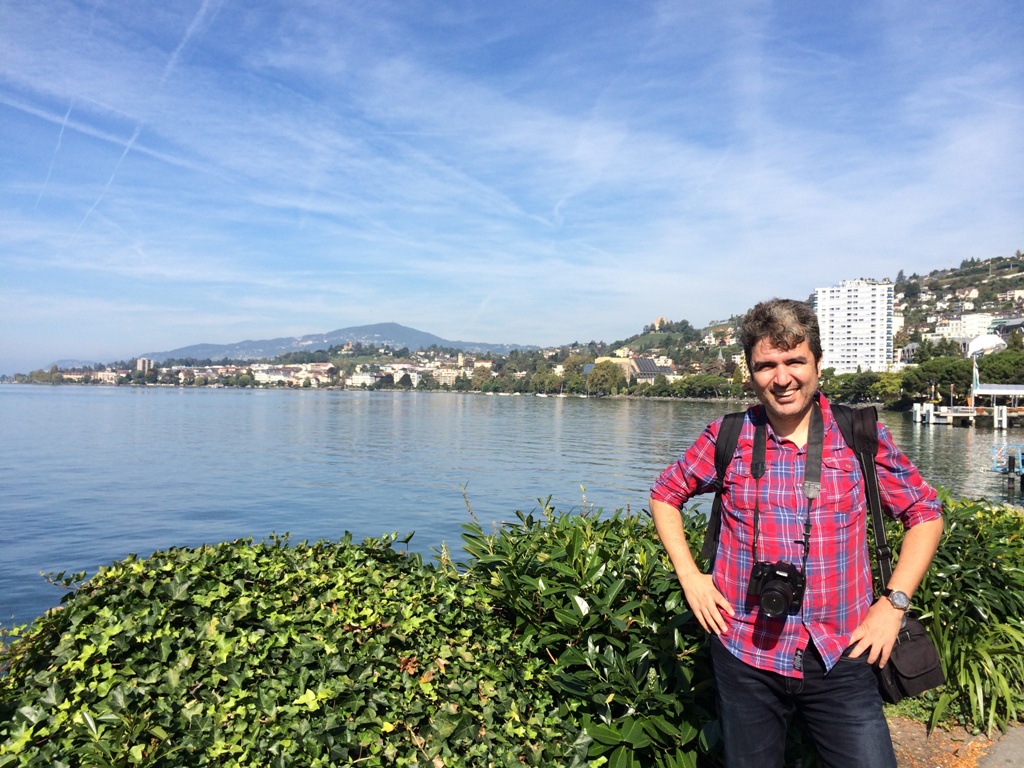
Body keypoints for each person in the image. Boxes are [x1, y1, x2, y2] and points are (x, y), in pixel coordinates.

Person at [649, 298, 943, 768]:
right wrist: (690, 577)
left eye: (794, 361)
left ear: (818, 364)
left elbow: (924, 512)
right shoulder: (728, 436)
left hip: (843, 650)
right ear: (750, 374)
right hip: (744, 651)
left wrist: (894, 604)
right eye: (766, 365)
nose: (782, 378)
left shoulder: (858, 434)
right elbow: (666, 493)